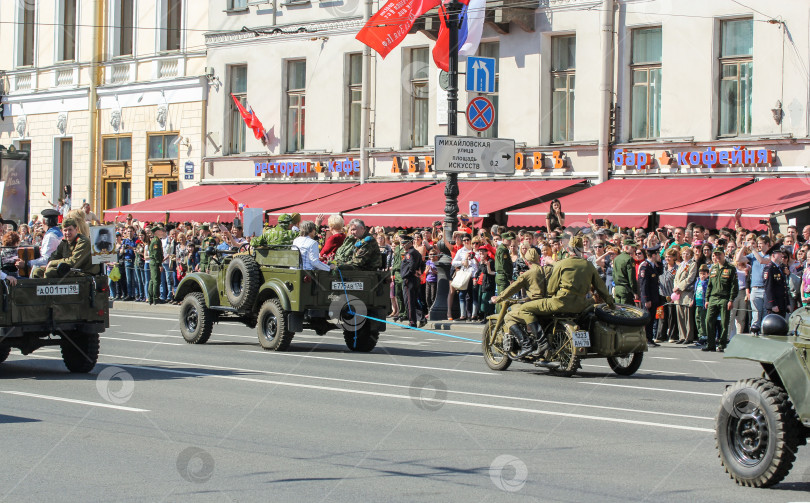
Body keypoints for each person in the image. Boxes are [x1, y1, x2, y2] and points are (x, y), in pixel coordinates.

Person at [513, 236, 614, 336]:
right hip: (581, 305)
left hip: (561, 303)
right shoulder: (588, 265)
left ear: (568, 249)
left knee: (525, 308)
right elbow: (602, 288)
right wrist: (611, 305)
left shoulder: (561, 264)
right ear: (582, 250)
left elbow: (551, 289)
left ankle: (541, 342)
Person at [491, 248, 548, 358]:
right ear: (539, 259)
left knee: (508, 317)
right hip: (547, 305)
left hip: (535, 306)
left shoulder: (528, 274)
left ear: (526, 262)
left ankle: (526, 345)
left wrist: (498, 298)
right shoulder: (547, 270)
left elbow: (512, 288)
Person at [704, 248, 738, 352]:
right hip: (713, 298)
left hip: (724, 298)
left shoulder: (731, 268)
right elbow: (709, 285)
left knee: (724, 323)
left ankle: (722, 344)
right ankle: (711, 344)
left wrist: (731, 299)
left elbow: (734, 286)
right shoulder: (713, 268)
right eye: (715, 255)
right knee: (708, 321)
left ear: (724, 255)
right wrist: (707, 299)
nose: (717, 257)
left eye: (719, 255)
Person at [18, 209, 63, 277]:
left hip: (48, 271)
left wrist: (27, 263)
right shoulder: (60, 233)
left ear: (44, 221)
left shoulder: (50, 236)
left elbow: (46, 259)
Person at [638, 245, 663, 346]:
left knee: (652, 318)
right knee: (648, 319)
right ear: (653, 255)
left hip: (654, 296)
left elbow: (660, 272)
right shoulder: (645, 266)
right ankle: (646, 339)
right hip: (648, 297)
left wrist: (659, 261)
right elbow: (643, 285)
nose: (658, 255)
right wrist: (646, 299)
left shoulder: (653, 266)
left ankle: (650, 338)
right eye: (657, 254)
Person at [672, 246, 698, 344]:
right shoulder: (681, 265)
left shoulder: (692, 264)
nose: (685, 255)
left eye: (687, 254)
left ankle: (689, 337)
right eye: (683, 253)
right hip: (678, 293)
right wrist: (675, 288)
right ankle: (682, 336)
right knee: (680, 315)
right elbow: (675, 278)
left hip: (686, 292)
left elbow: (690, 278)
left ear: (691, 255)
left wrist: (679, 287)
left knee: (687, 316)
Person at [400, 235, 424, 328]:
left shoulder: (410, 253)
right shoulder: (415, 252)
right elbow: (422, 263)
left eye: (404, 243)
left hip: (409, 279)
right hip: (414, 279)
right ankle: (421, 318)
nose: (402, 245)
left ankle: (412, 322)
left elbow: (411, 265)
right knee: (413, 300)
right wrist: (419, 272)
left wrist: (409, 273)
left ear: (410, 243)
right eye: (402, 243)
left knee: (409, 302)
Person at [763, 245, 791, 320]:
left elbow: (784, 287)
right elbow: (768, 287)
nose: (782, 255)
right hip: (775, 304)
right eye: (779, 254)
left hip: (781, 303)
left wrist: (787, 303)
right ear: (773, 255)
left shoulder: (780, 268)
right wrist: (773, 304)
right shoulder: (769, 268)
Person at [612, 239, 638, 305]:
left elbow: (614, 274)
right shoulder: (629, 259)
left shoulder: (616, 258)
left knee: (618, 311)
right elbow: (631, 277)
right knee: (626, 311)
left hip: (617, 288)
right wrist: (634, 291)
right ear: (626, 247)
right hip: (625, 289)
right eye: (632, 247)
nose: (634, 249)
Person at [494, 231, 515, 303]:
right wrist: (509, 278)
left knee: (501, 296)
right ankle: (500, 313)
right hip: (503, 276)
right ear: (503, 240)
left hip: (501, 276)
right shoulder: (503, 250)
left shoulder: (502, 248)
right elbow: (504, 265)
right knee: (502, 298)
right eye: (508, 240)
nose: (509, 241)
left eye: (510, 240)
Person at [148, 226, 165, 305]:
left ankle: (151, 297)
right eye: (159, 230)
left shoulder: (156, 240)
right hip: (155, 262)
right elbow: (156, 254)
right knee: (156, 280)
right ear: (156, 232)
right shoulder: (156, 241)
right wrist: (159, 264)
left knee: (152, 280)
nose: (161, 232)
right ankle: (155, 298)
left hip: (154, 262)